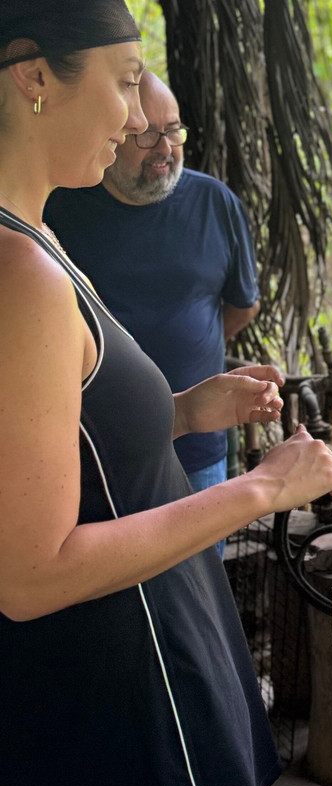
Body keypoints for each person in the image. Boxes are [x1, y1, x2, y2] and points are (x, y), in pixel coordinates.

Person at [0, 3, 332, 786]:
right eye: (125, 84)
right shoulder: (19, 274)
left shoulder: (37, 234)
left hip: (157, 628)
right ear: (32, 76)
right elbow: (28, 572)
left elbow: (54, 438)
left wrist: (187, 412)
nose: (134, 118)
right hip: (124, 667)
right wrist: (263, 488)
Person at [45, 70, 260, 557]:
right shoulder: (58, 210)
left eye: (173, 130)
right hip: (96, 456)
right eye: (146, 133)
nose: (165, 146)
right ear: (111, 134)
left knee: (200, 598)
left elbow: (240, 308)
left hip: (199, 454)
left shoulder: (215, 202)